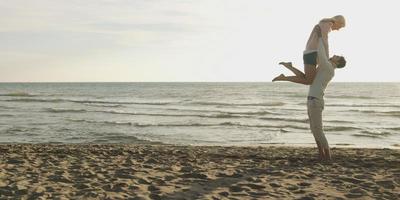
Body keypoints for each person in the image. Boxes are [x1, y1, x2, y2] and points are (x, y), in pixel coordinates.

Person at [273, 26, 347, 161]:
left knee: (318, 130)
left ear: (338, 62)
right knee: (314, 130)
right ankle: (320, 154)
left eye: (337, 56)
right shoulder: (324, 68)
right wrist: (291, 68)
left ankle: (327, 156)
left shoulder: (329, 68)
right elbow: (306, 78)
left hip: (316, 101)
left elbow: (322, 54)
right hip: (311, 100)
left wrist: (320, 37)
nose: (334, 55)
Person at [272, 15, 346, 84]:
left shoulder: (323, 24)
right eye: (340, 26)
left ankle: (289, 67)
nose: (338, 29)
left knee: (307, 78)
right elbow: (325, 41)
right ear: (338, 22)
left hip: (311, 52)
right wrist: (326, 57)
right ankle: (283, 77)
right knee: (309, 81)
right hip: (312, 53)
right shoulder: (327, 24)